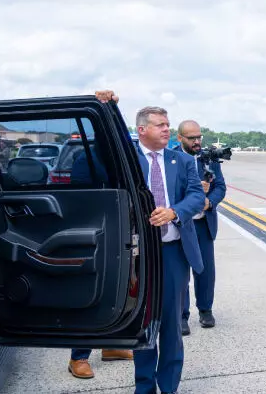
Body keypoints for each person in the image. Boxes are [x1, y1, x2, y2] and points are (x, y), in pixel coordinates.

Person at [132, 105, 206, 394]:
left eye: (167, 124)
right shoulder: (127, 158)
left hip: (173, 251)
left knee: (172, 323)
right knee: (144, 321)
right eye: (160, 125)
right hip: (139, 255)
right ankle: (144, 386)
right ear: (141, 130)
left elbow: (196, 196)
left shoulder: (182, 160)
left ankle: (169, 386)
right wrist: (105, 104)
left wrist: (174, 212)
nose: (167, 129)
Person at [66, 117, 132, 379]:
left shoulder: (121, 157)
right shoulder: (87, 160)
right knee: (91, 295)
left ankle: (111, 345)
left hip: (120, 232)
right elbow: (81, 199)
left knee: (118, 292)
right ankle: (78, 356)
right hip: (96, 233)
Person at [176, 120, 226, 333]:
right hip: (181, 224)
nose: (197, 142)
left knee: (205, 270)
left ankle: (205, 310)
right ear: (180, 138)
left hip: (203, 223)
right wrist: (195, 191)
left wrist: (209, 202)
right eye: (192, 138)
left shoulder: (209, 158)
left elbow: (220, 187)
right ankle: (181, 315)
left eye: (199, 137)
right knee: (181, 271)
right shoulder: (172, 158)